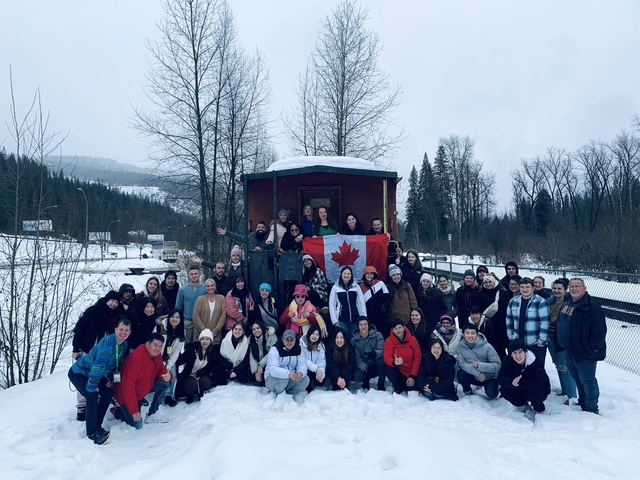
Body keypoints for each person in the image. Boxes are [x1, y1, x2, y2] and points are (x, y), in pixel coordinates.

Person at [68, 319, 131, 445]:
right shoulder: (108, 344)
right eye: (121, 329)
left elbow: (116, 365)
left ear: (129, 332)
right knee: (91, 395)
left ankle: (97, 425)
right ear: (115, 330)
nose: (123, 333)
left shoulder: (124, 346)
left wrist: (112, 379)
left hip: (97, 373)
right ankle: (92, 432)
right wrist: (93, 386)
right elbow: (98, 367)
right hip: (80, 372)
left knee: (107, 393)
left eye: (126, 330)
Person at [556, 278, 607, 414]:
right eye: (571, 286)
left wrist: (590, 350)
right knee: (577, 379)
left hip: (584, 353)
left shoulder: (591, 307)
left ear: (584, 288)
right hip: (569, 350)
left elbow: (599, 332)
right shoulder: (567, 303)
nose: (574, 289)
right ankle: (583, 402)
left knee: (588, 380)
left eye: (577, 286)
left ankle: (591, 408)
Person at [71, 290, 121, 421]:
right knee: (84, 376)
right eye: (112, 301)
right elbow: (79, 329)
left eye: (116, 302)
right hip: (88, 350)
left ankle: (97, 401)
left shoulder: (115, 316)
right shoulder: (92, 311)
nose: (114, 304)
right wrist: (76, 349)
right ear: (106, 299)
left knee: (99, 376)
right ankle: (82, 406)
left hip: (103, 353)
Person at [112, 332, 173, 428]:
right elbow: (127, 388)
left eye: (160, 346)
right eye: (155, 345)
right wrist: (134, 411)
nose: (157, 349)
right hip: (125, 395)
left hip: (141, 390)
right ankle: (116, 412)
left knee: (166, 383)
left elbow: (161, 370)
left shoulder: (156, 354)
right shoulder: (136, 359)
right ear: (148, 344)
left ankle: (152, 413)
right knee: (137, 425)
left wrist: (167, 376)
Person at [498, 339, 551, 420]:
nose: (518, 356)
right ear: (511, 354)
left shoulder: (535, 360)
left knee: (535, 394)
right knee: (504, 390)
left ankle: (539, 410)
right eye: (514, 353)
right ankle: (521, 405)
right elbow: (500, 378)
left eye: (520, 352)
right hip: (520, 387)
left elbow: (538, 383)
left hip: (538, 388)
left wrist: (520, 382)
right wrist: (512, 382)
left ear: (525, 352)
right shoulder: (507, 361)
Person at [506, 277, 551, 363]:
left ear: (533, 288)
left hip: (534, 343)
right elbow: (509, 320)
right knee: (519, 369)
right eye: (522, 287)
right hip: (518, 342)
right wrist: (511, 336)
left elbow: (545, 323)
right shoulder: (513, 301)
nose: (525, 289)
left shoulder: (541, 302)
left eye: (527, 287)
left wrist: (542, 341)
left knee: (537, 369)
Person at [546, 278, 577, 401]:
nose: (556, 291)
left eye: (559, 289)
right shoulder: (549, 302)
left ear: (565, 290)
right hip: (551, 338)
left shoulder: (570, 303)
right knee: (558, 364)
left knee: (565, 366)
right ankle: (564, 390)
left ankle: (572, 395)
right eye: (554, 288)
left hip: (563, 339)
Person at [456, 323, 502, 399]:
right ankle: (467, 391)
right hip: (474, 375)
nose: (470, 336)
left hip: (489, 377)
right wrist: (478, 373)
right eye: (467, 333)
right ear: (463, 335)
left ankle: (494, 387)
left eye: (473, 333)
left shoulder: (487, 346)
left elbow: (497, 365)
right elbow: (461, 363)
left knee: (492, 395)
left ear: (477, 334)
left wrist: (479, 366)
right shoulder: (461, 346)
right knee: (460, 372)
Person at [265, 329, 310, 403]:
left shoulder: (299, 349)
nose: (289, 342)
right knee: (283, 378)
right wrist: (288, 374)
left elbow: (302, 364)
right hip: (272, 379)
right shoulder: (275, 349)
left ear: (295, 340)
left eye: (291, 340)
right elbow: (273, 370)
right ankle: (276, 394)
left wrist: (301, 373)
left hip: (289, 378)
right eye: (287, 340)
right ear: (283, 340)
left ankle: (287, 394)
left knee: (305, 379)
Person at [175, 329, 218, 404]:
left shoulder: (213, 352)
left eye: (207, 339)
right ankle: (189, 395)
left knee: (206, 382)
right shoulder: (192, 349)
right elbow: (180, 361)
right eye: (202, 339)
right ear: (199, 340)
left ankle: (201, 393)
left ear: (211, 341)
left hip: (202, 375)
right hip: (189, 375)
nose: (205, 341)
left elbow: (211, 368)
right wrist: (189, 356)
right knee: (191, 384)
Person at [156, 308, 186, 407]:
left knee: (172, 374)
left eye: (177, 317)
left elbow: (176, 351)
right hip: (156, 357)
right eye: (172, 317)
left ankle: (168, 395)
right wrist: (160, 363)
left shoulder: (182, 332)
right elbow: (154, 346)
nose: (174, 319)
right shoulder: (160, 328)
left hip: (168, 358)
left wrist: (168, 366)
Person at [383, 319, 422, 394]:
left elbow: (417, 358)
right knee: (388, 369)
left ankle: (408, 384)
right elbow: (386, 357)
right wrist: (394, 362)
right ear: (392, 330)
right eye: (395, 328)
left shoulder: (412, 340)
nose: (398, 330)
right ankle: (398, 386)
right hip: (399, 371)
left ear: (404, 328)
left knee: (413, 389)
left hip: (412, 371)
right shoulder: (388, 341)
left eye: (400, 327)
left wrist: (412, 376)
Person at [329, 265, 366, 341]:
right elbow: (331, 304)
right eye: (344, 273)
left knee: (354, 340)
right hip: (342, 320)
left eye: (348, 274)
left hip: (355, 319)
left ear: (351, 275)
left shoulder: (356, 287)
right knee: (343, 340)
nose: (346, 275)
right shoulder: (335, 287)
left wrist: (364, 318)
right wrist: (335, 321)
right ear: (341, 274)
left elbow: (361, 302)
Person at [351, 316, 385, 390]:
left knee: (381, 362)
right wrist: (364, 368)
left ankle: (381, 384)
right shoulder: (354, 340)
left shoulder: (377, 335)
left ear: (368, 325)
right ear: (358, 326)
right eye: (361, 324)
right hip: (364, 364)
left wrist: (375, 353)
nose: (363, 327)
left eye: (365, 324)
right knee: (357, 377)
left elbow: (382, 350)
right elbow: (356, 358)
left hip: (375, 361)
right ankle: (366, 380)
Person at [175, 265, 206, 343]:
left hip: (202, 321)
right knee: (187, 345)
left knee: (200, 344)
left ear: (200, 274)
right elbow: (178, 307)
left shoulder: (205, 288)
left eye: (196, 274)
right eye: (192, 274)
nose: (194, 276)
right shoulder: (183, 290)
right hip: (188, 322)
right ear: (188, 275)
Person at [359, 266, 390, 337]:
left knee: (383, 335)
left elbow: (387, 298)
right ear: (364, 275)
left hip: (382, 316)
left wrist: (384, 309)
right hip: (370, 318)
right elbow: (361, 303)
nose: (369, 276)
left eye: (371, 274)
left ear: (374, 274)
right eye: (367, 274)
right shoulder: (361, 287)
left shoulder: (381, 283)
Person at [248, 321, 277, 386]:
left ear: (262, 328)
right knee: (250, 376)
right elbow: (252, 357)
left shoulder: (271, 336)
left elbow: (273, 353)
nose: (256, 331)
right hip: (259, 364)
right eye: (254, 329)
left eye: (258, 328)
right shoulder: (251, 339)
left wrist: (261, 365)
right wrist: (255, 371)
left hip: (270, 363)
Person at [300, 325, 326, 392]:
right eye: (313, 334)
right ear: (309, 334)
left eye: (317, 335)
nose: (315, 336)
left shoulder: (321, 345)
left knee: (320, 382)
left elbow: (321, 360)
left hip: (316, 368)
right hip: (306, 368)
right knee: (307, 385)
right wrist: (316, 369)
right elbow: (304, 360)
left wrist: (320, 374)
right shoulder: (302, 344)